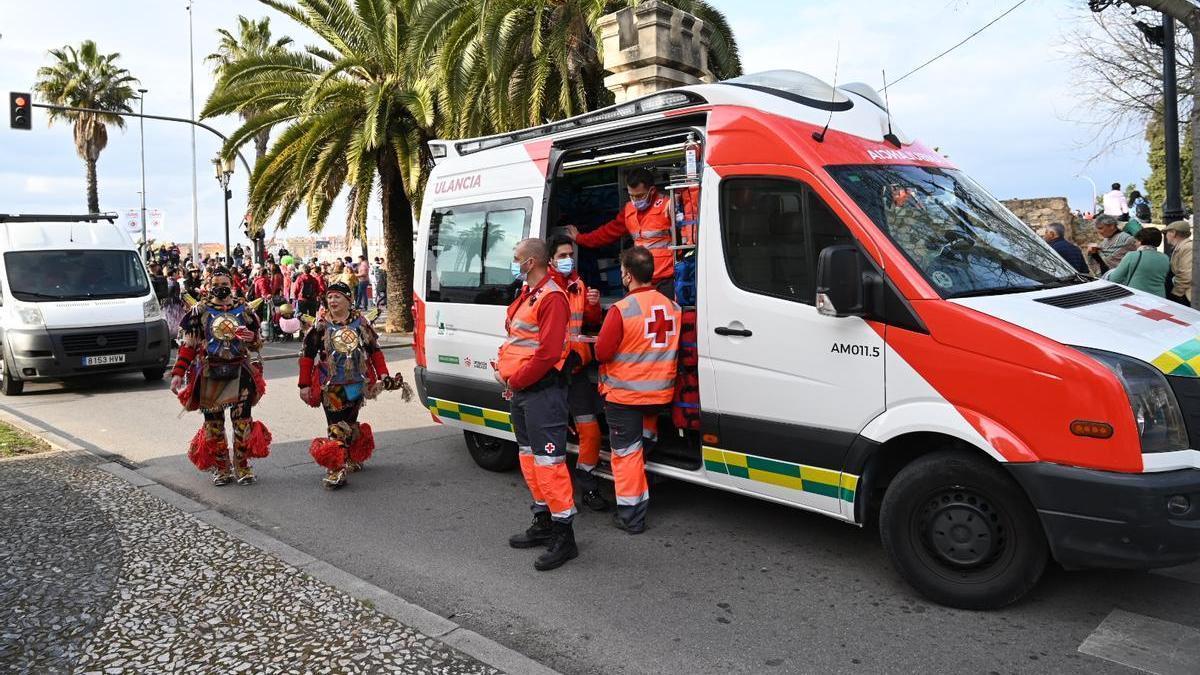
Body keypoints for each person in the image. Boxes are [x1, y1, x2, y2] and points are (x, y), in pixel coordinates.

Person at [497, 238, 579, 571]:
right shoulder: (528, 296)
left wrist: (515, 379)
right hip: (524, 392)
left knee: (549, 463)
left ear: (530, 262)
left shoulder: (552, 298)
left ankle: (564, 535)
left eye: (516, 258)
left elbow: (546, 354)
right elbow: (518, 342)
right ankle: (544, 520)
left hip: (541, 391)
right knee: (530, 459)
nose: (512, 262)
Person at [594, 246, 680, 534]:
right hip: (660, 395)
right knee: (643, 443)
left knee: (627, 455)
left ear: (627, 275)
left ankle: (631, 516)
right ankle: (640, 488)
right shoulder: (672, 306)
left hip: (626, 396)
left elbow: (602, 352)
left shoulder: (622, 310)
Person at [170, 268, 271, 486]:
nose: (220, 286)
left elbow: (257, 343)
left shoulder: (244, 309)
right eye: (215, 283)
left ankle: (242, 466)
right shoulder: (200, 311)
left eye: (224, 282)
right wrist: (178, 373)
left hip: (240, 371)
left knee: (242, 421)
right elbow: (189, 345)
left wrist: (251, 337)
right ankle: (222, 467)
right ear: (209, 285)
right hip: (210, 371)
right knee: (213, 424)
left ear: (232, 283)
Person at [299, 282, 405, 489]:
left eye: (337, 297)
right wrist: (304, 384)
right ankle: (336, 468)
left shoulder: (361, 324)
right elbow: (307, 355)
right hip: (331, 386)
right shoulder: (320, 325)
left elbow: (375, 351)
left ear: (349, 300)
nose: (332, 301)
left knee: (350, 421)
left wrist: (383, 375)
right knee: (336, 425)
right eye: (329, 297)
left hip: (358, 383)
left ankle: (349, 456)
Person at [547, 233, 608, 511]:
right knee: (552, 435)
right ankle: (555, 497)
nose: (567, 260)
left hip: (576, 369)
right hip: (550, 373)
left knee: (591, 431)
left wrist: (594, 304)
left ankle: (588, 484)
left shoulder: (578, 284)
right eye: (562, 255)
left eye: (570, 255)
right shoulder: (543, 289)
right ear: (550, 259)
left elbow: (588, 322)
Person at [567, 168, 677, 299]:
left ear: (652, 191)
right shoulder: (629, 211)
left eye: (640, 196)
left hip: (666, 280)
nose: (636, 201)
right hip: (639, 281)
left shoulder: (668, 206)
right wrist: (581, 239)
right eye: (632, 196)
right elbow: (607, 233)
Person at [1108, 227, 1171, 297]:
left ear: (1141, 241)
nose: (1135, 244)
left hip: (1137, 297)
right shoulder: (1165, 258)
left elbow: (1114, 278)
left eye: (1135, 241)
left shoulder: (1132, 256)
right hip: (1160, 297)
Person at [1166, 220, 1194, 304]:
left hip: (1186, 296)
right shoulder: (1182, 247)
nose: (1166, 236)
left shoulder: (1188, 247)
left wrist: (1175, 294)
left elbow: (1186, 275)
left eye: (1166, 233)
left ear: (1173, 233)